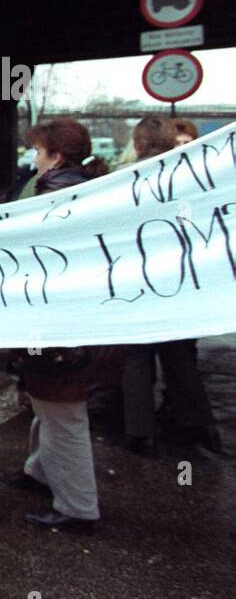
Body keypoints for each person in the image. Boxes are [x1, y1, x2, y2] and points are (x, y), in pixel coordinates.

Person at [5, 119, 117, 535]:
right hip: (75, 325)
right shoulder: (88, 186)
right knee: (49, 405)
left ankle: (77, 506)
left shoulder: (51, 192)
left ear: (54, 155)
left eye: (37, 151)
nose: (32, 159)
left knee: (62, 415)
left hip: (56, 328)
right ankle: (39, 471)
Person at [117, 117, 223, 455]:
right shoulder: (191, 176)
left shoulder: (121, 182)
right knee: (179, 356)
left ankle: (140, 432)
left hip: (138, 278)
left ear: (137, 143)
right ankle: (199, 425)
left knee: (136, 355)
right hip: (180, 278)